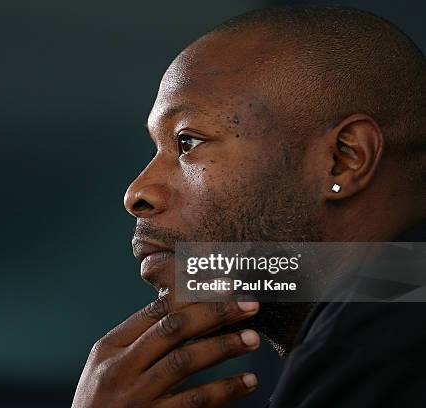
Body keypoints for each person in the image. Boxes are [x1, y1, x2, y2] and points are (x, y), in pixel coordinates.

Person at [72, 5, 426, 407]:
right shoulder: (399, 288)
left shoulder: (377, 341)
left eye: (187, 141)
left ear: (343, 159)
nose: (137, 192)